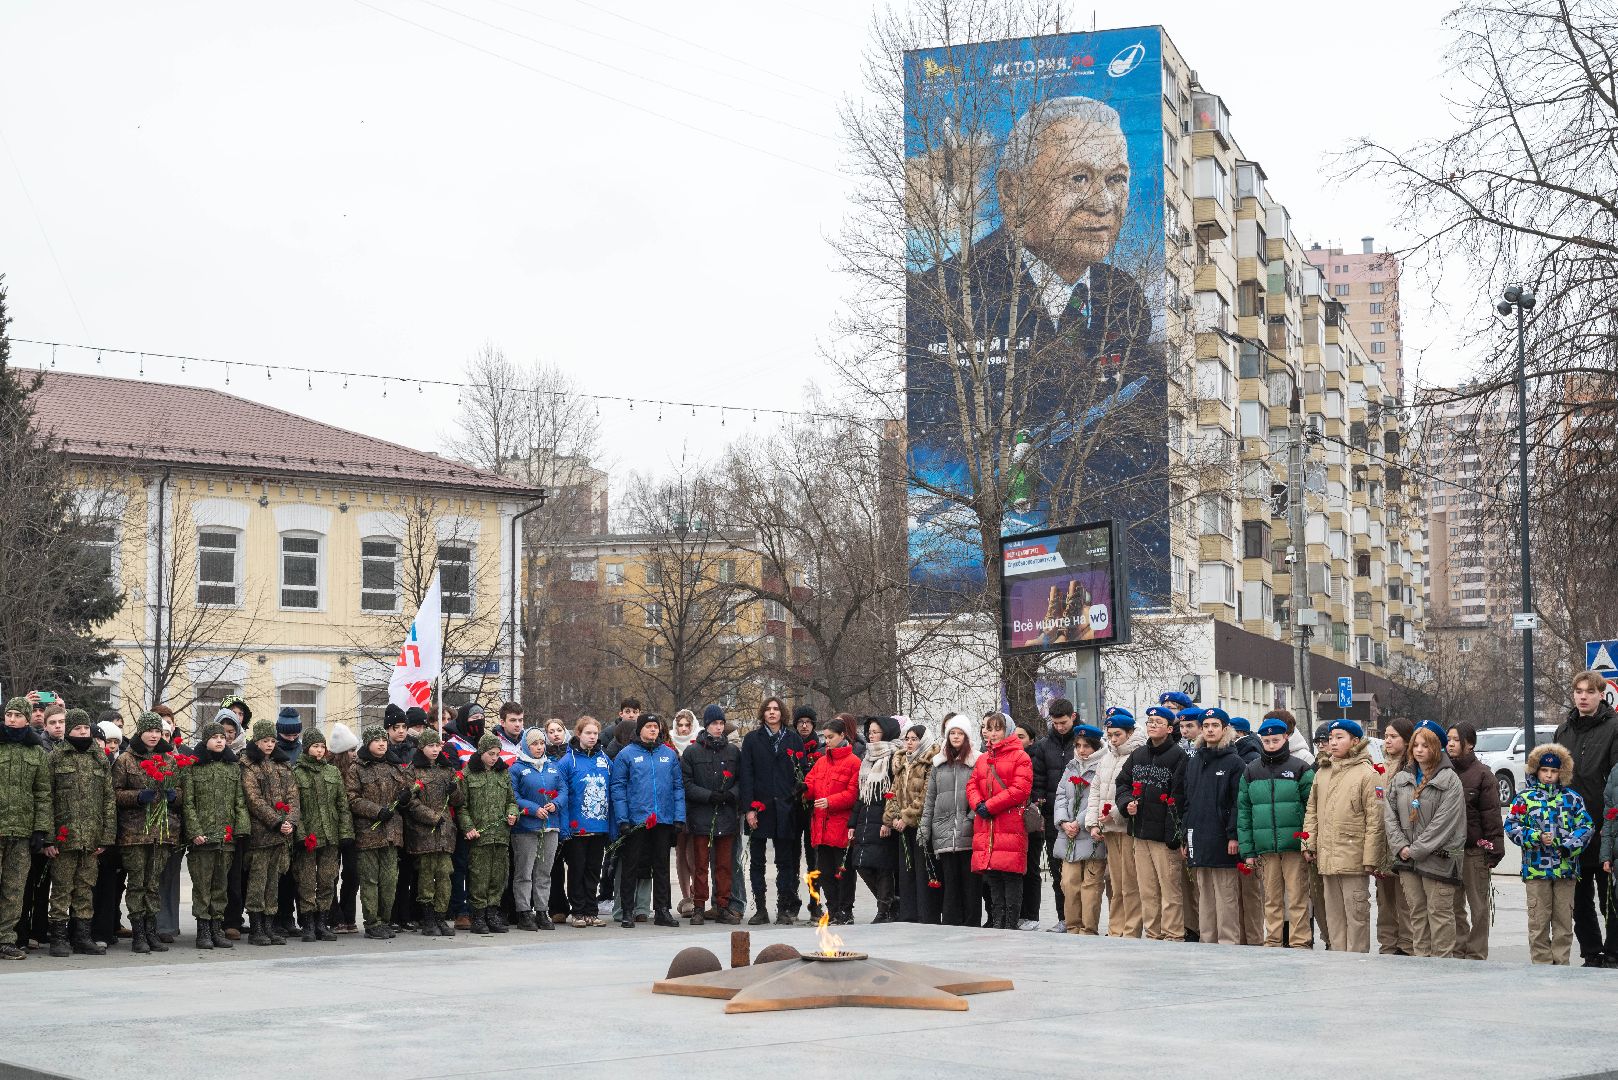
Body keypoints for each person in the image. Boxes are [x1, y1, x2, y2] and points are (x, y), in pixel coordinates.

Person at [1301, 719, 1386, 954]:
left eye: (1340, 737)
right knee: (1334, 915)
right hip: (1327, 858)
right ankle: (1337, 958)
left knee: (1356, 914)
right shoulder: (1323, 772)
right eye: (1331, 738)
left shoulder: (1367, 774)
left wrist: (1371, 858)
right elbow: (1312, 811)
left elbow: (1375, 820)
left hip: (1354, 858)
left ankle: (1357, 959)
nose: (1334, 742)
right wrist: (1308, 842)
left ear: (1355, 741)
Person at [1383, 725, 1465, 959]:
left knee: (1439, 913)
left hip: (1437, 858)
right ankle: (1421, 962)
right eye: (1415, 745)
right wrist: (1400, 847)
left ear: (1437, 748)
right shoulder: (1401, 778)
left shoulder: (1449, 780)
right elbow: (1390, 815)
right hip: (1408, 859)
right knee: (1416, 913)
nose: (1419, 750)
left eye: (1425, 745)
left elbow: (1445, 822)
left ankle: (1442, 966)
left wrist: (1416, 849)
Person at [1553, 670, 1618, 966]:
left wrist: (1611, 825)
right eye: (1578, 691)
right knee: (1578, 900)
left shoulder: (1614, 727)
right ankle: (1591, 952)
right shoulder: (1563, 731)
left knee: (1610, 899)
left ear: (1601, 695)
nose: (1582, 696)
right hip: (1571, 831)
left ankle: (1614, 951)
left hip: (1604, 826)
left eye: (1589, 692)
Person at [1510, 743, 1593, 965]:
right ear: (1536, 770)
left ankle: (1561, 966)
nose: (1548, 775)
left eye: (1554, 771)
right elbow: (1512, 826)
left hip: (1565, 870)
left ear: (1561, 772)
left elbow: (1586, 826)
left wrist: (1568, 845)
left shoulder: (1572, 798)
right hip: (1536, 870)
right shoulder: (1524, 799)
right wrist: (1535, 837)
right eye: (1544, 770)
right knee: (1538, 923)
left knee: (1563, 923)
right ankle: (1541, 967)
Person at [1237, 717, 1315, 949]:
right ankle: (1272, 940)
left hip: (1293, 846)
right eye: (1267, 741)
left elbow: (1311, 807)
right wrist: (1248, 849)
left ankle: (1300, 940)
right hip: (1266, 847)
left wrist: (1308, 842)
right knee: (1271, 897)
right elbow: (1244, 811)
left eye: (1276, 740)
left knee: (1297, 896)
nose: (1271, 744)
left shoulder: (1299, 768)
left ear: (1286, 739)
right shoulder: (1251, 771)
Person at [43, 709, 115, 957]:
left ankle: (82, 937)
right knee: (61, 888)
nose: (83, 732)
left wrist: (106, 836)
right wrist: (48, 837)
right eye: (77, 728)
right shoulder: (55, 758)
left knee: (85, 888)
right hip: (65, 838)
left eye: (86, 728)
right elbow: (46, 798)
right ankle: (59, 938)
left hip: (91, 837)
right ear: (69, 731)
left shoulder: (100, 759)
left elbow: (108, 799)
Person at [1174, 707, 1246, 945]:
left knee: (1225, 897)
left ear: (1225, 729)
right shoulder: (1195, 762)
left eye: (1215, 725)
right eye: (1206, 726)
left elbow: (1238, 803)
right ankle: (1207, 942)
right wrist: (1185, 836)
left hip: (1223, 840)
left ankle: (1228, 942)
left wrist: (1234, 836)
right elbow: (1187, 802)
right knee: (1204, 896)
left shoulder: (1234, 762)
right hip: (1198, 837)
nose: (1210, 730)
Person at [111, 712, 181, 955]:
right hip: (134, 832)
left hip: (161, 832)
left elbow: (181, 792)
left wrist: (174, 795)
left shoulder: (168, 760)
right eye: (149, 731)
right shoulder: (126, 760)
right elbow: (115, 794)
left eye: (157, 731)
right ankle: (138, 932)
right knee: (137, 883)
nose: (153, 735)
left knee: (153, 884)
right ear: (140, 732)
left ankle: (152, 930)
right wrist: (138, 796)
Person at [1118, 705, 1188, 941]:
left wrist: (1174, 835)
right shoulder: (1138, 755)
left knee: (1169, 889)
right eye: (1149, 721)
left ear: (1169, 728)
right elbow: (1122, 784)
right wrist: (1126, 803)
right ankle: (1153, 934)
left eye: (1158, 722)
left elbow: (1180, 797)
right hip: (1140, 832)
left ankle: (1173, 934)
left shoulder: (1179, 757)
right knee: (1147, 890)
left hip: (1164, 836)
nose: (1152, 725)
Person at [610, 714, 685, 929]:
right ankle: (627, 910)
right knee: (631, 866)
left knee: (661, 866)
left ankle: (662, 910)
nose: (653, 730)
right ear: (640, 729)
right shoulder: (627, 755)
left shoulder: (669, 755)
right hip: (636, 820)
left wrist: (679, 817)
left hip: (662, 819)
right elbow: (618, 788)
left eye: (656, 727)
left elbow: (677, 787)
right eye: (649, 726)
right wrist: (623, 819)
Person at [737, 696, 806, 926]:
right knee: (756, 862)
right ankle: (760, 908)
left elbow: (801, 774)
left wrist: (793, 798)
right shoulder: (752, 740)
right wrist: (749, 809)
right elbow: (746, 776)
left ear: (782, 713)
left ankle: (784, 908)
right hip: (760, 807)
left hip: (785, 808)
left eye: (776, 709)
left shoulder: (793, 739)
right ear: (763, 713)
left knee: (785, 862)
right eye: (768, 709)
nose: (772, 713)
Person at [179, 721, 245, 951]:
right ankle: (203, 931)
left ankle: (217, 928)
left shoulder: (232, 767)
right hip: (203, 839)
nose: (220, 740)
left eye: (222, 737)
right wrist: (195, 831)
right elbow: (188, 803)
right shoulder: (193, 767)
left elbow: (239, 801)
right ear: (205, 740)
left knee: (221, 886)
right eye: (215, 737)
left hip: (226, 838)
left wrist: (240, 830)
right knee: (202, 886)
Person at [968, 711, 1033, 930]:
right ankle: (997, 920)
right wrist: (978, 804)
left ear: (1008, 730)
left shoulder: (1020, 756)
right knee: (993, 874)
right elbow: (972, 784)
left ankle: (1011, 922)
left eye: (998, 729)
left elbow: (1019, 790)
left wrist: (990, 806)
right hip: (987, 824)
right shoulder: (983, 758)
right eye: (989, 728)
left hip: (1009, 822)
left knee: (1011, 874)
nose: (992, 734)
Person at [346, 726, 411, 939]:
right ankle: (372, 922)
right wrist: (376, 811)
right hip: (368, 833)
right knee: (370, 880)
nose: (382, 744)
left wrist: (404, 799)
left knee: (389, 880)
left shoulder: (395, 766)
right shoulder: (357, 768)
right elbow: (353, 799)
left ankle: (385, 919)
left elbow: (405, 792)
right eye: (377, 740)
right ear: (368, 743)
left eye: (384, 740)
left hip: (392, 833)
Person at [1446, 722, 1504, 959]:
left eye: (1455, 740)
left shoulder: (1482, 774)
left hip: (1474, 851)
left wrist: (1494, 850)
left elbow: (1491, 814)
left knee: (1478, 905)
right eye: (1448, 739)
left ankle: (1477, 952)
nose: (1450, 744)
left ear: (1469, 744)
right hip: (1449, 851)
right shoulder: (1444, 772)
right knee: (1454, 905)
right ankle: (1458, 949)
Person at [681, 705, 742, 926]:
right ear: (706, 725)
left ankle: (722, 906)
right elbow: (686, 784)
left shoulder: (733, 752)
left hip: (726, 816)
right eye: (715, 724)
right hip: (702, 816)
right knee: (700, 865)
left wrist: (730, 795)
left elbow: (741, 781)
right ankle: (699, 906)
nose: (719, 727)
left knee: (724, 865)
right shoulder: (692, 752)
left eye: (721, 724)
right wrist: (708, 796)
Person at [1, 698, 52, 961]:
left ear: (27, 718)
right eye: (8, 714)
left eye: (17, 715)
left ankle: (6, 940)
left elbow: (42, 794)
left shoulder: (36, 753)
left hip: (21, 832)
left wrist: (40, 831)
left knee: (14, 888)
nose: (11, 719)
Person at [241, 719, 299, 947]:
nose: (269, 745)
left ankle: (269, 925)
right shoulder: (248, 766)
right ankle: (256, 927)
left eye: (273, 741)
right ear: (256, 741)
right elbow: (253, 800)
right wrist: (275, 822)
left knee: (273, 882)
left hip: (280, 835)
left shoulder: (282, 765)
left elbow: (293, 796)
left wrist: (290, 821)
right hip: (260, 835)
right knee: (258, 882)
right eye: (265, 741)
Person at [1086, 711, 1144, 938]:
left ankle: (1131, 929)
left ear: (1130, 733)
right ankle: (1116, 927)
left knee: (1130, 883)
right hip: (1108, 827)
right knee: (1115, 882)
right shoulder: (1107, 758)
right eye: (1109, 735)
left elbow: (1133, 792)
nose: (1113, 739)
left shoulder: (1138, 755)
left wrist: (1117, 814)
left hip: (1127, 827)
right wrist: (1094, 823)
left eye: (1117, 734)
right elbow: (1096, 790)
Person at [291, 728, 350, 943]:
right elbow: (295, 807)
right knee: (306, 881)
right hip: (308, 837)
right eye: (315, 746)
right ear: (307, 748)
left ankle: (322, 922)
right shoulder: (297, 772)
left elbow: (342, 805)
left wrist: (345, 833)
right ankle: (307, 923)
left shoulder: (332, 772)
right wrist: (301, 835)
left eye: (322, 746)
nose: (319, 750)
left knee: (327, 879)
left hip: (330, 834)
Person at [920, 715, 980, 928]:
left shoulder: (976, 761)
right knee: (950, 884)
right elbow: (930, 798)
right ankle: (951, 924)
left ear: (966, 736)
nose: (956, 737)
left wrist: (971, 819)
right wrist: (925, 827)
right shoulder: (939, 763)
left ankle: (972, 924)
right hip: (943, 831)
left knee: (971, 885)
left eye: (960, 733)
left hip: (969, 832)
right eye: (952, 733)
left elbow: (981, 794)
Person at [459, 734, 518, 935]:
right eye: (490, 754)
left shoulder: (503, 773)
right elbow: (462, 806)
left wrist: (512, 813)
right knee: (479, 876)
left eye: (497, 754)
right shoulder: (468, 774)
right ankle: (478, 915)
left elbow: (511, 800)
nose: (494, 758)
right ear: (481, 752)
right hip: (479, 836)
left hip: (500, 834)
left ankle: (492, 912)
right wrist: (468, 827)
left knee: (498, 876)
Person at [402, 729, 459, 937]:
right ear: (421, 748)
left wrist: (455, 791)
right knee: (426, 876)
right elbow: (410, 802)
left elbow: (457, 801)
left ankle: (440, 917)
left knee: (445, 874)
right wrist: (432, 816)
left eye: (437, 746)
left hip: (444, 832)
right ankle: (427, 919)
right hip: (424, 832)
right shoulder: (413, 771)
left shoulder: (447, 769)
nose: (435, 750)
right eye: (430, 746)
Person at [804, 716, 861, 925]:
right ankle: (833, 909)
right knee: (826, 872)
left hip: (841, 825)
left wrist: (830, 801)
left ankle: (846, 910)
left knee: (843, 872)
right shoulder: (820, 762)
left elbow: (853, 793)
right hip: (821, 826)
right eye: (825, 737)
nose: (827, 741)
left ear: (842, 736)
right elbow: (811, 783)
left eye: (831, 737)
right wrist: (804, 789)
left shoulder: (854, 762)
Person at [1028, 698, 1078, 932]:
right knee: (1058, 871)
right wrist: (1040, 804)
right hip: (1052, 818)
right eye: (1056, 723)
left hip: (1079, 816)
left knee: (1080, 873)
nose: (1060, 727)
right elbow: (1037, 780)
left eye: (1064, 722)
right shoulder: (1043, 746)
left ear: (1073, 717)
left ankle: (1082, 919)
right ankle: (1063, 918)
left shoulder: (1083, 742)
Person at [510, 727, 567, 931]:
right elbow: (513, 797)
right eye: (534, 744)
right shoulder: (517, 768)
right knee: (524, 872)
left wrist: (556, 804)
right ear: (526, 745)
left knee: (544, 872)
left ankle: (542, 911)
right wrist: (533, 809)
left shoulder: (552, 766)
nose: (539, 747)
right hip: (526, 828)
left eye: (542, 743)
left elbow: (563, 790)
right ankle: (524, 912)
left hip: (550, 826)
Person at [1052, 723, 1106, 934]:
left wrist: (1080, 822)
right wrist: (1064, 821)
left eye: (1086, 746)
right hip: (1069, 835)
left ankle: (1088, 928)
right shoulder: (1071, 766)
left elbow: (1099, 798)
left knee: (1090, 887)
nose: (1082, 750)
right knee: (1069, 883)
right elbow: (1061, 796)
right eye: (1078, 745)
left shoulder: (1102, 765)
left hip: (1090, 833)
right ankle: (1072, 926)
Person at [849, 716, 903, 923]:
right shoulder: (868, 758)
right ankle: (891, 903)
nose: (871, 736)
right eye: (869, 732)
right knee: (862, 864)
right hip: (865, 819)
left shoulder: (894, 756)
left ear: (887, 733)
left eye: (875, 732)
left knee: (882, 867)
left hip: (882, 820)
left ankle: (884, 910)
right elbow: (861, 794)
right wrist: (852, 824)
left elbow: (895, 791)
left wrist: (888, 820)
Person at [560, 716, 611, 928]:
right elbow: (562, 794)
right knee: (577, 870)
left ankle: (592, 910)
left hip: (599, 827)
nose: (592, 737)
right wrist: (565, 829)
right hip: (576, 828)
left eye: (595, 733)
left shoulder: (605, 760)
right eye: (588, 733)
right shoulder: (567, 761)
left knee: (593, 871)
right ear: (578, 734)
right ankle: (578, 911)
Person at [1374, 719, 1416, 956]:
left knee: (1405, 900)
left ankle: (1407, 946)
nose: (1387, 740)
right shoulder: (1380, 766)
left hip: (1403, 843)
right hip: (1382, 842)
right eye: (1386, 736)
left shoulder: (1410, 768)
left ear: (1406, 740)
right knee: (1384, 901)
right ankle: (1387, 945)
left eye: (1393, 737)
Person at [891, 723, 938, 924]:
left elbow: (925, 795)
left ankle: (925, 915)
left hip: (920, 824)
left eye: (914, 739)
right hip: (902, 825)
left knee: (922, 870)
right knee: (906, 871)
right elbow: (893, 792)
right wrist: (892, 816)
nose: (909, 743)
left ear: (923, 740)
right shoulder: (902, 762)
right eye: (907, 739)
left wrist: (906, 817)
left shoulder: (930, 761)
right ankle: (908, 914)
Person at [325, 722, 361, 935]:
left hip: (353, 830)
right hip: (330, 828)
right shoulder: (330, 771)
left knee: (353, 873)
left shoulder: (357, 769)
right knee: (331, 875)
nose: (354, 754)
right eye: (350, 750)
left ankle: (348, 915)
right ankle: (334, 916)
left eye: (355, 749)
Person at [669, 709, 699, 917]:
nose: (684, 729)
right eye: (680, 725)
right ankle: (686, 896)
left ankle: (698, 895)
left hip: (695, 804)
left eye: (687, 725)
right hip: (674, 805)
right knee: (680, 853)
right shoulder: (669, 745)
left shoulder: (699, 743)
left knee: (694, 853)